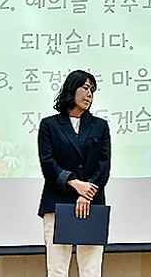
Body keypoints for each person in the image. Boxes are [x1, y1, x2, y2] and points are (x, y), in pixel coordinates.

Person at [38, 70, 111, 277]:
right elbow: (48, 164)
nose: (89, 94)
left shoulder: (100, 126)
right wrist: (74, 183)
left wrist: (86, 194)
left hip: (91, 203)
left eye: (93, 90)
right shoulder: (49, 125)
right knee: (57, 269)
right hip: (57, 202)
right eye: (85, 88)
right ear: (72, 89)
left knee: (91, 270)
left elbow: (104, 166)